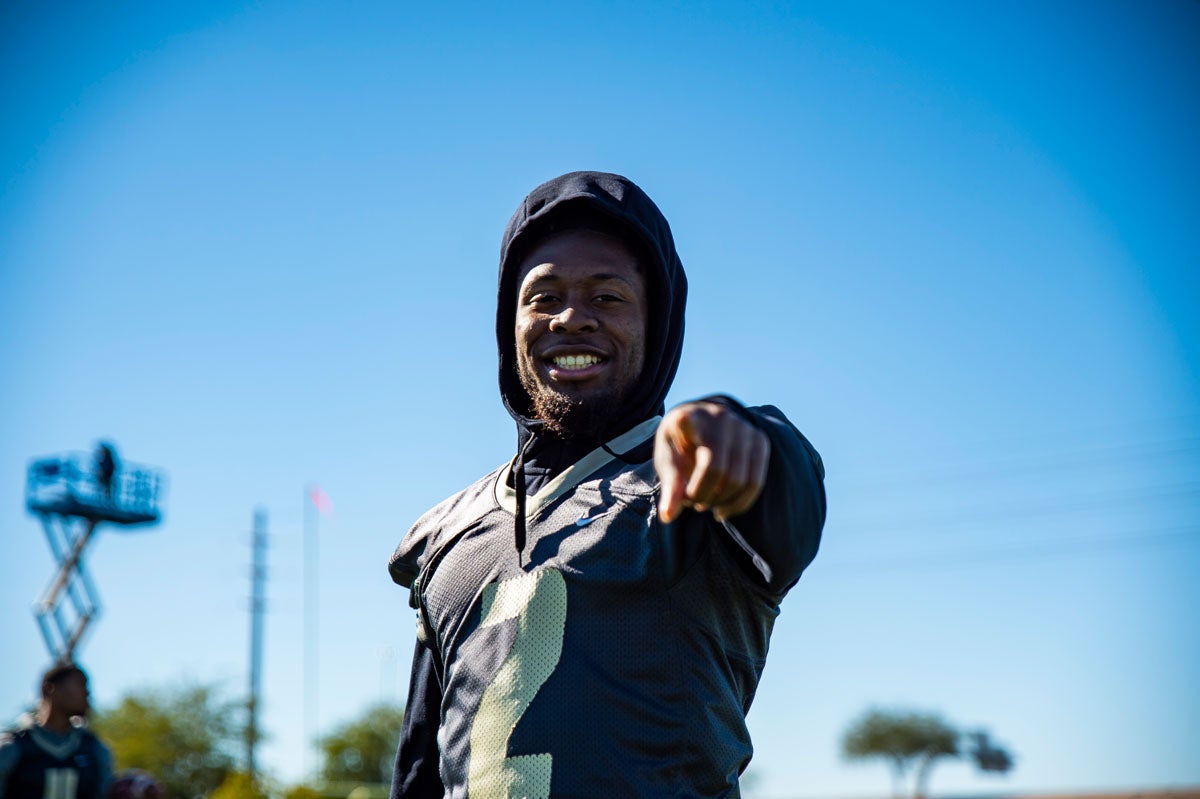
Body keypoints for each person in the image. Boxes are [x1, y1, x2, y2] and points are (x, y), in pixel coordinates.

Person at [388, 171, 826, 798]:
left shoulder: (694, 485)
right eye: (543, 297)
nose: (572, 318)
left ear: (658, 324)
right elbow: (420, 774)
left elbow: (785, 493)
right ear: (506, 322)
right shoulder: (445, 536)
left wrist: (745, 438)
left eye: (608, 297)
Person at [0, 664, 113, 799]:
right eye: (80, 685)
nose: (87, 693)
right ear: (49, 689)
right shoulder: (12, 747)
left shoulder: (95, 750)